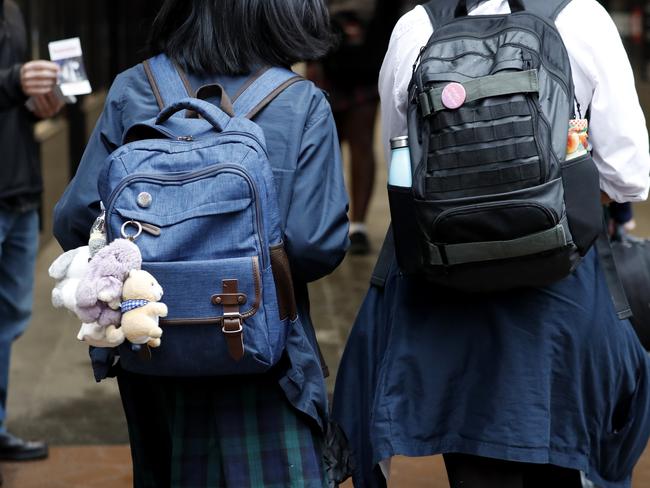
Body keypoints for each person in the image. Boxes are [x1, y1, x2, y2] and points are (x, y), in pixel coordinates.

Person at [331, 1, 650, 487]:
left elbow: (404, 164)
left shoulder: (417, 25)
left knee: (472, 464)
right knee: (564, 458)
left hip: (446, 309)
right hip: (560, 303)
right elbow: (630, 178)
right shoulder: (580, 17)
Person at [52, 1, 349, 486]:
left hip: (151, 349)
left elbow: (73, 218)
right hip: (262, 351)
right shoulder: (300, 101)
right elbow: (317, 244)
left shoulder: (134, 88)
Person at [0, 0, 64, 464]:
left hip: (20, 188)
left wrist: (43, 103)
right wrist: (12, 81)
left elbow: (18, 104)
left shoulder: (14, 11)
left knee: (10, 321)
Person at [308, 0, 407, 255]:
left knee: (361, 143)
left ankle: (358, 226)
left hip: (368, 65)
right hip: (328, 65)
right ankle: (324, 220)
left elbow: (393, 14)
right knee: (326, 145)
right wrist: (311, 58)